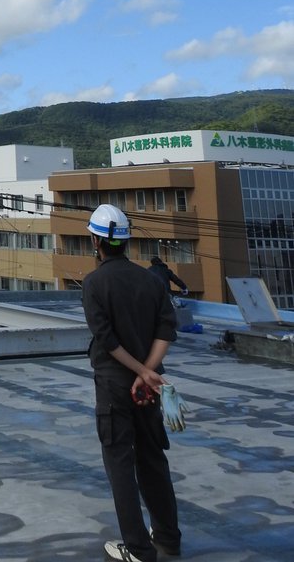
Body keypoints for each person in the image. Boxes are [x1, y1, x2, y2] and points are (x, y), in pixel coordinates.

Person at [82, 204, 182, 562]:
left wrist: (139, 371)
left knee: (120, 465)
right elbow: (166, 328)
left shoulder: (95, 282)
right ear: (125, 241)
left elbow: (106, 339)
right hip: (148, 388)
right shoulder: (151, 280)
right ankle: (168, 539)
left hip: (113, 385)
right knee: (153, 459)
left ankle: (138, 550)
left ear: (95, 241)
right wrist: (149, 371)